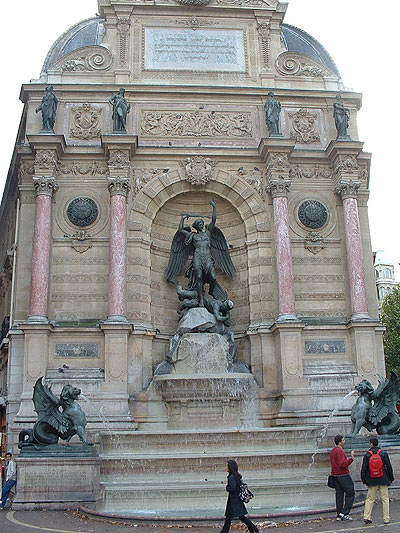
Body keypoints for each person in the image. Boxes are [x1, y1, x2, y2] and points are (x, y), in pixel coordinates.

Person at [361, 437, 394, 525]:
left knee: (370, 499)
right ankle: (386, 518)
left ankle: (367, 516)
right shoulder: (383, 453)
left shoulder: (367, 455)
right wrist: (391, 478)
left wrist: (364, 479)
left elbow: (364, 468)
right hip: (383, 479)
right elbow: (389, 467)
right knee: (385, 499)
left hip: (372, 480)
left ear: (371, 444)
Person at [219, 460, 258, 533]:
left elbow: (232, 488)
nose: (225, 467)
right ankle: (224, 531)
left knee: (241, 517)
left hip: (234, 500)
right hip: (234, 500)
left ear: (230, 467)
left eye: (227, 466)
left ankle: (254, 530)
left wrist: (227, 487)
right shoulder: (235, 476)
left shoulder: (231, 477)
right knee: (228, 516)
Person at [330, 435, 355, 521]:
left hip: (335, 475)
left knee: (339, 495)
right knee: (351, 492)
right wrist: (351, 459)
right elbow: (342, 464)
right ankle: (344, 512)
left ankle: (339, 514)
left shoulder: (333, 451)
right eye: (343, 440)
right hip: (343, 475)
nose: (344, 441)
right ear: (340, 442)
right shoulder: (339, 451)